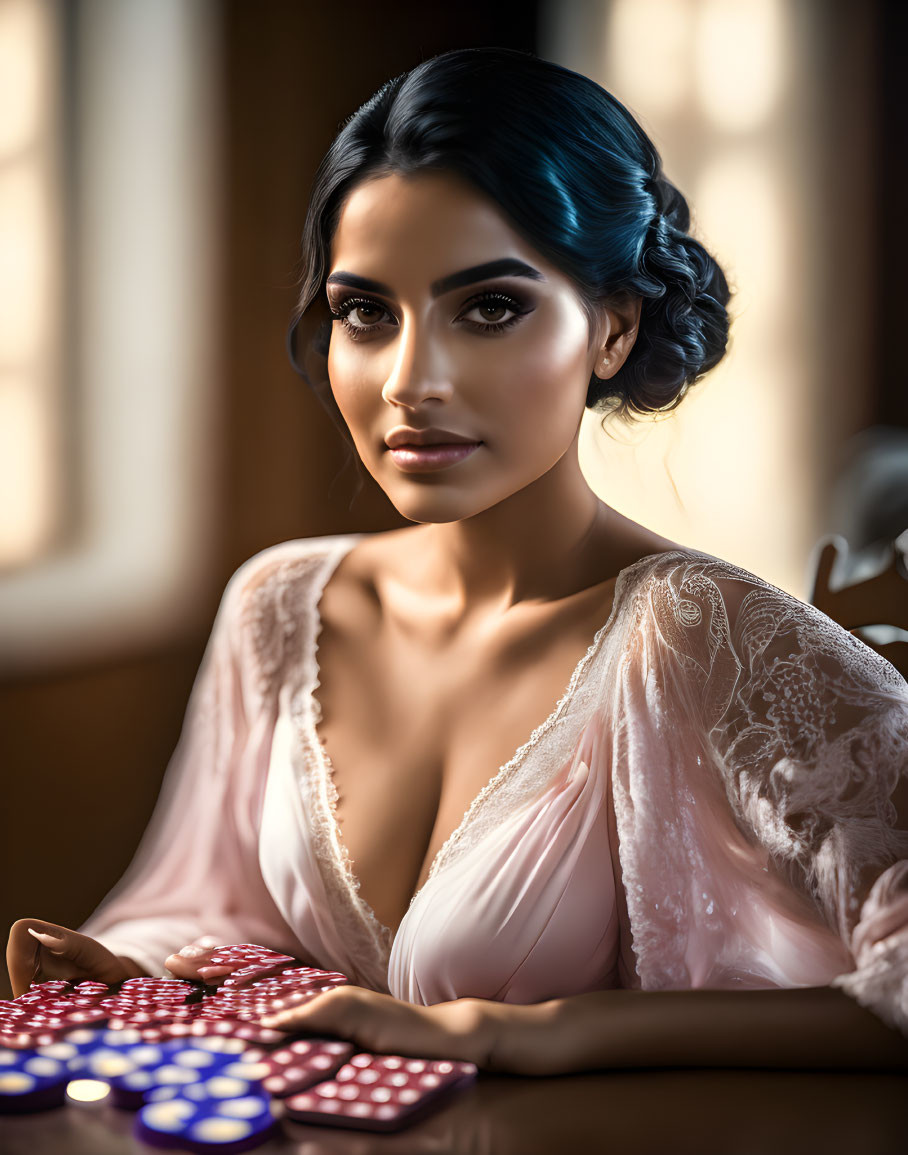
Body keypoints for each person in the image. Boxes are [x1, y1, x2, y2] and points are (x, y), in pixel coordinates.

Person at [8, 48, 908, 1075]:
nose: (409, 381)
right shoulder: (281, 604)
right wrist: (140, 974)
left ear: (611, 327)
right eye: (365, 313)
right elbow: (212, 909)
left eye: (486, 308)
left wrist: (527, 1032)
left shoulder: (707, 637)